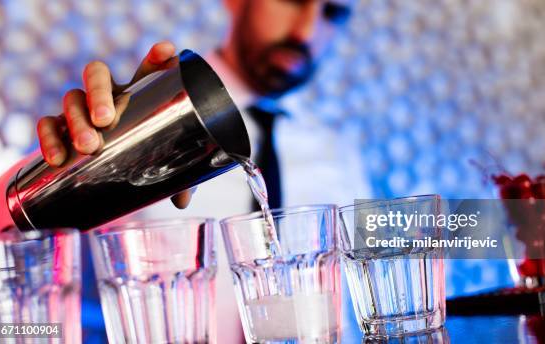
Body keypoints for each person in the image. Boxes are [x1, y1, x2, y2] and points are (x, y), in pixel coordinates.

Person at [35, 0, 370, 342]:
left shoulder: (339, 153)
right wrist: (66, 171)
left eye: (333, 13)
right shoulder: (140, 124)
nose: (306, 31)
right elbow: (24, 290)